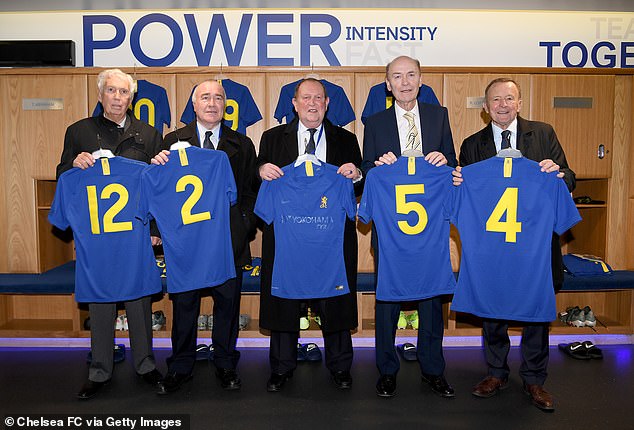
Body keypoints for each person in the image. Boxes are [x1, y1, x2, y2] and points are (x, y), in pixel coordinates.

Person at [454, 77, 576, 411]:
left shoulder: (544, 133)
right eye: (496, 99)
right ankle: (496, 372)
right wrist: (458, 181)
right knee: (493, 311)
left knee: (536, 314)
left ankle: (535, 380)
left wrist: (560, 174)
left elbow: (569, 176)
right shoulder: (471, 144)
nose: (503, 105)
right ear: (485, 107)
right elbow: (464, 190)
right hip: (492, 248)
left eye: (509, 98)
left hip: (533, 248)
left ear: (520, 103)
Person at [56, 68, 164, 399]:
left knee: (139, 300)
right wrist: (74, 164)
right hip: (98, 234)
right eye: (112, 91)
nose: (118, 98)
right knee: (101, 301)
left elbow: (158, 187)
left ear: (133, 98)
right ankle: (99, 370)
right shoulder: (78, 131)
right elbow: (62, 175)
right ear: (101, 94)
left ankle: (146, 365)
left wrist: (156, 230)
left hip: (135, 232)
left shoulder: (148, 134)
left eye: (125, 93)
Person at [152, 80, 257, 394]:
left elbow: (251, 192)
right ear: (193, 105)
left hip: (228, 241)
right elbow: (161, 193)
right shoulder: (171, 142)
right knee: (185, 306)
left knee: (228, 306)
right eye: (205, 97)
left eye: (218, 98)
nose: (212, 103)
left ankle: (225, 364)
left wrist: (243, 225)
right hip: (186, 244)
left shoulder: (243, 143)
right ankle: (180, 366)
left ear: (225, 105)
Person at [257, 78, 363, 392]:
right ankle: (281, 367)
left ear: (327, 103)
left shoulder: (346, 139)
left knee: (336, 299)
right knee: (284, 300)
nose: (312, 104)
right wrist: (262, 171)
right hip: (287, 235)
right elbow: (259, 179)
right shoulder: (273, 138)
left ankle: (341, 366)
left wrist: (356, 175)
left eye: (318, 98)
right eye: (306, 98)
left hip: (332, 237)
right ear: (294, 103)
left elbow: (359, 184)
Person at [362, 55, 457, 398]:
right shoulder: (374, 122)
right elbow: (365, 170)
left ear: (421, 80)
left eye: (411, 75)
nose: (404, 82)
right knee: (387, 302)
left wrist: (445, 160)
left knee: (432, 302)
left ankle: (433, 369)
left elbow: (453, 165)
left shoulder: (438, 115)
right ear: (387, 84)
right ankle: (387, 370)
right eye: (397, 77)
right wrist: (376, 164)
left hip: (429, 232)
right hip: (391, 229)